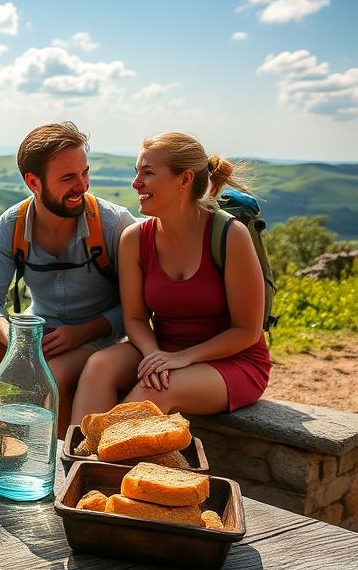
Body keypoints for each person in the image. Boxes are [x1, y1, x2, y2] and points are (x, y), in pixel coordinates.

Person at [70, 132, 271, 423]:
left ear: (185, 180)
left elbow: (246, 331)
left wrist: (182, 358)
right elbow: (136, 319)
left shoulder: (229, 235)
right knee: (99, 365)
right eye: (136, 172)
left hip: (232, 361)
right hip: (163, 349)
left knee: (158, 390)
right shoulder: (135, 239)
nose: (135, 183)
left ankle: (94, 462)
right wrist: (154, 354)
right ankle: (81, 460)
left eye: (147, 173)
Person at [0, 122, 136, 436]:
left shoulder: (114, 225)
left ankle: (50, 469)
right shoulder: (11, 226)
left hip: (99, 341)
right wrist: (13, 339)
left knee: (53, 374)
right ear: (33, 182)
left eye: (84, 173)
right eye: (68, 178)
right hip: (38, 337)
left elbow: (137, 309)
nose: (82, 186)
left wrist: (82, 332)